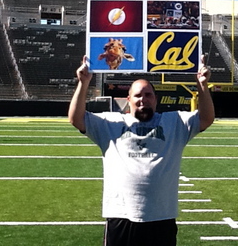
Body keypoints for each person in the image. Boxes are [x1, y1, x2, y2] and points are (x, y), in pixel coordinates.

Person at [68, 55, 215, 246]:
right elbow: (76, 119)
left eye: (148, 95)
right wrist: (83, 82)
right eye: (138, 95)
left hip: (161, 216)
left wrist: (202, 85)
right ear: (128, 99)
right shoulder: (111, 123)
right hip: (121, 215)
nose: (143, 100)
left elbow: (206, 119)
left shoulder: (175, 122)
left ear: (156, 100)